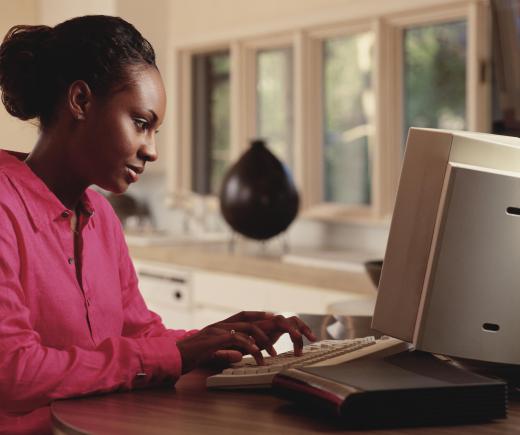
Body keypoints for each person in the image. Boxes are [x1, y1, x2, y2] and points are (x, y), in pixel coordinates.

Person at [0, 15, 316, 434]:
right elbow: (15, 374)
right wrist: (178, 355)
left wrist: (219, 340)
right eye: (141, 123)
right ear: (80, 101)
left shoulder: (102, 217)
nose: (152, 151)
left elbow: (139, 334)